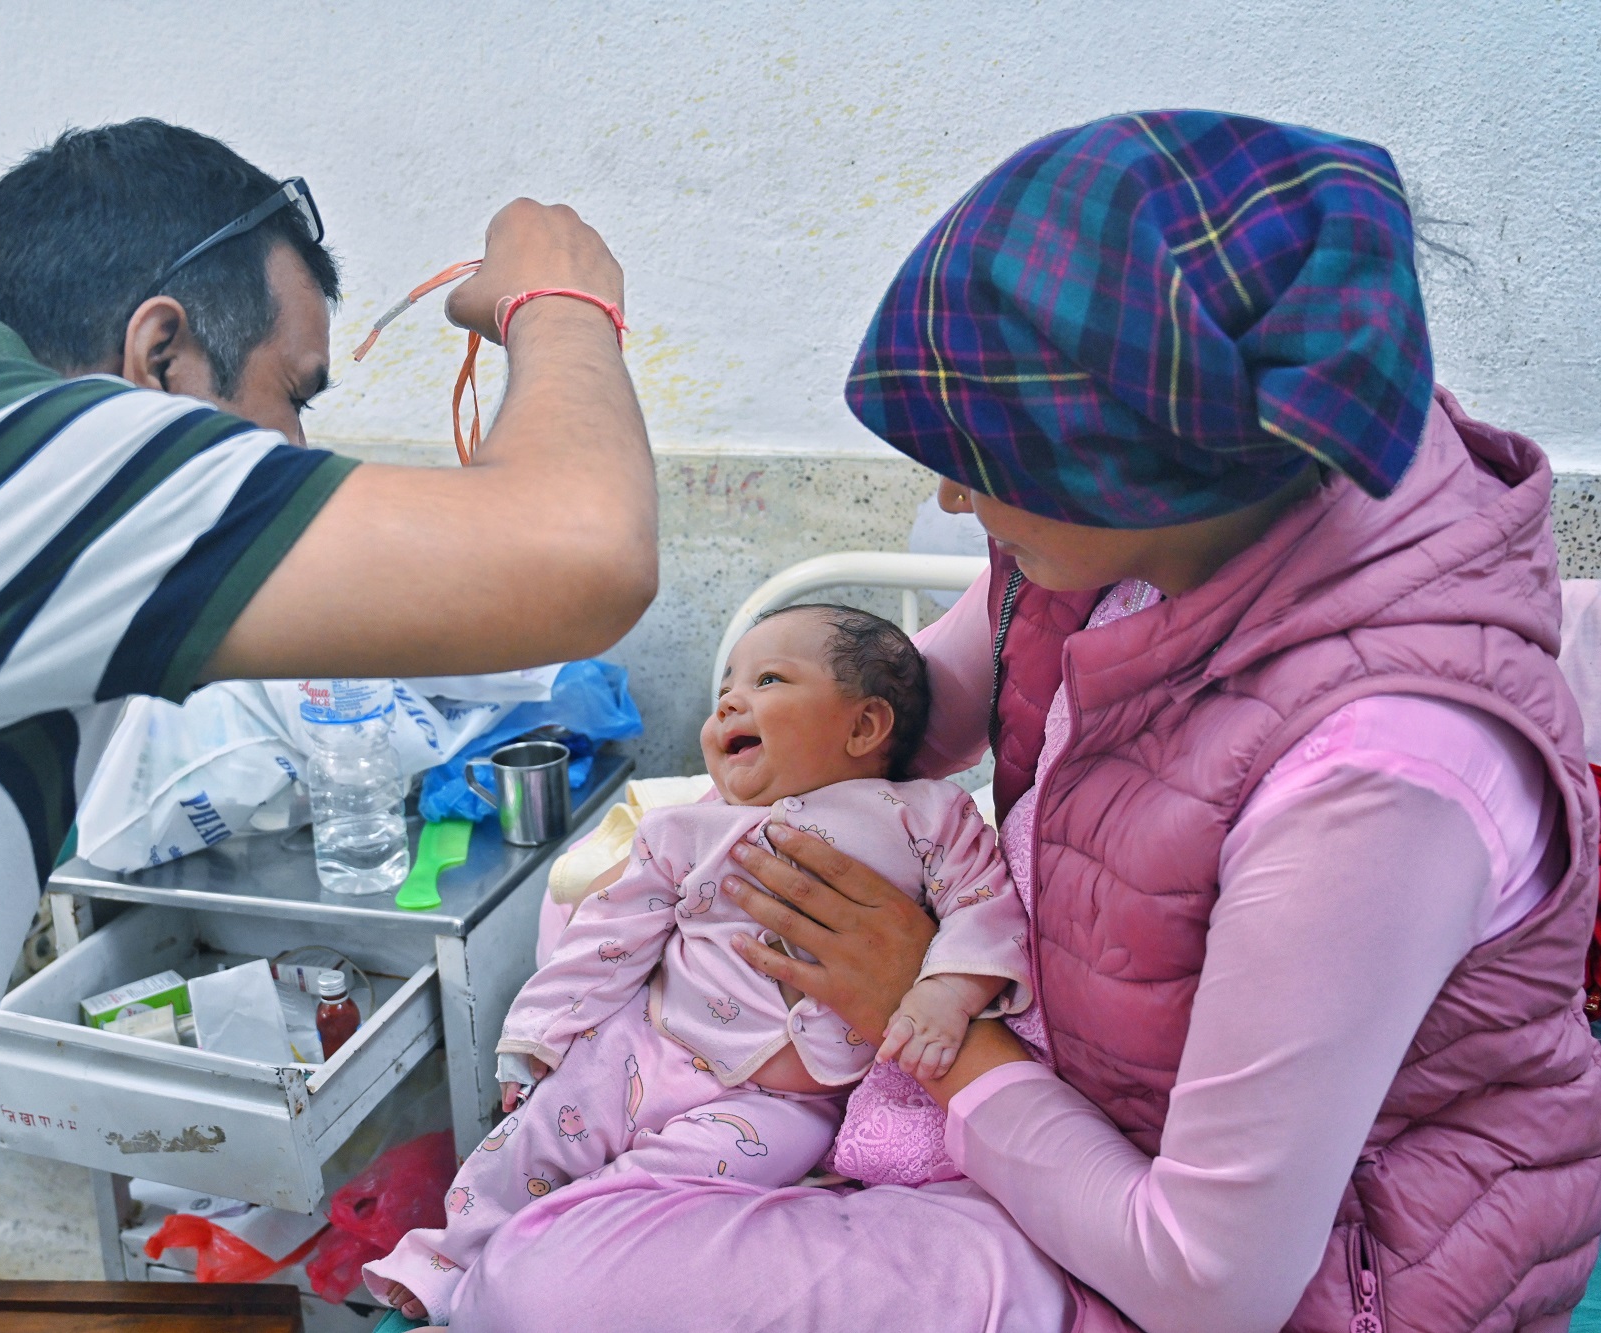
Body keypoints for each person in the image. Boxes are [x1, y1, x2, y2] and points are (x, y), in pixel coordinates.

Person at [450, 111, 1601, 1332]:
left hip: (1290, 1274)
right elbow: (900, 710)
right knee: (575, 1136)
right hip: (1070, 1100)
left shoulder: (1378, 779)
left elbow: (1215, 1285)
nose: (949, 496)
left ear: (1127, 469)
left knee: (551, 1284)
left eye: (979, 462)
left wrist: (921, 1005)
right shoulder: (1186, 503)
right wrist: (772, 723)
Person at [0, 119, 655, 1331]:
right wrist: (560, 296)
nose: (298, 449)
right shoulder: (9, 447)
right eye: (290, 394)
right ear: (159, 357)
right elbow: (582, 550)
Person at [367, 603, 1032, 1325]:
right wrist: (540, 1033)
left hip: (786, 1102)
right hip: (650, 1043)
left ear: (865, 726)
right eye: (726, 688)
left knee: (662, 1194)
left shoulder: (926, 814)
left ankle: (550, 1243)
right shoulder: (687, 826)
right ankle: (447, 1254)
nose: (730, 701)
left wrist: (947, 990)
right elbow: (607, 935)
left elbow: (985, 901)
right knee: (532, 1132)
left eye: (769, 678)